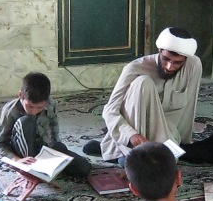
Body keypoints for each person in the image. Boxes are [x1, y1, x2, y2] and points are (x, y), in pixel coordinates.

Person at [85, 27, 202, 163]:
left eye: (178, 63)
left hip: (167, 135)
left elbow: (188, 109)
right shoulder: (135, 68)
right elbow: (109, 110)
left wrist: (184, 143)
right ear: (159, 50)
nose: (170, 67)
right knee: (144, 82)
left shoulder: (193, 65)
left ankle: (131, 156)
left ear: (185, 59)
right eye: (166, 59)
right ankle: (126, 152)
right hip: (136, 135)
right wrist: (131, 135)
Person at [0, 72, 91, 177]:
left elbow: (54, 128)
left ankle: (43, 168)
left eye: (40, 107)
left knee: (84, 168)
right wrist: (17, 160)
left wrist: (56, 151)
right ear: (21, 95)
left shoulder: (50, 103)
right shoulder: (10, 110)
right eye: (30, 106)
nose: (34, 111)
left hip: (44, 148)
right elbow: (0, 144)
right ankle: (31, 169)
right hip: (23, 154)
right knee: (26, 121)